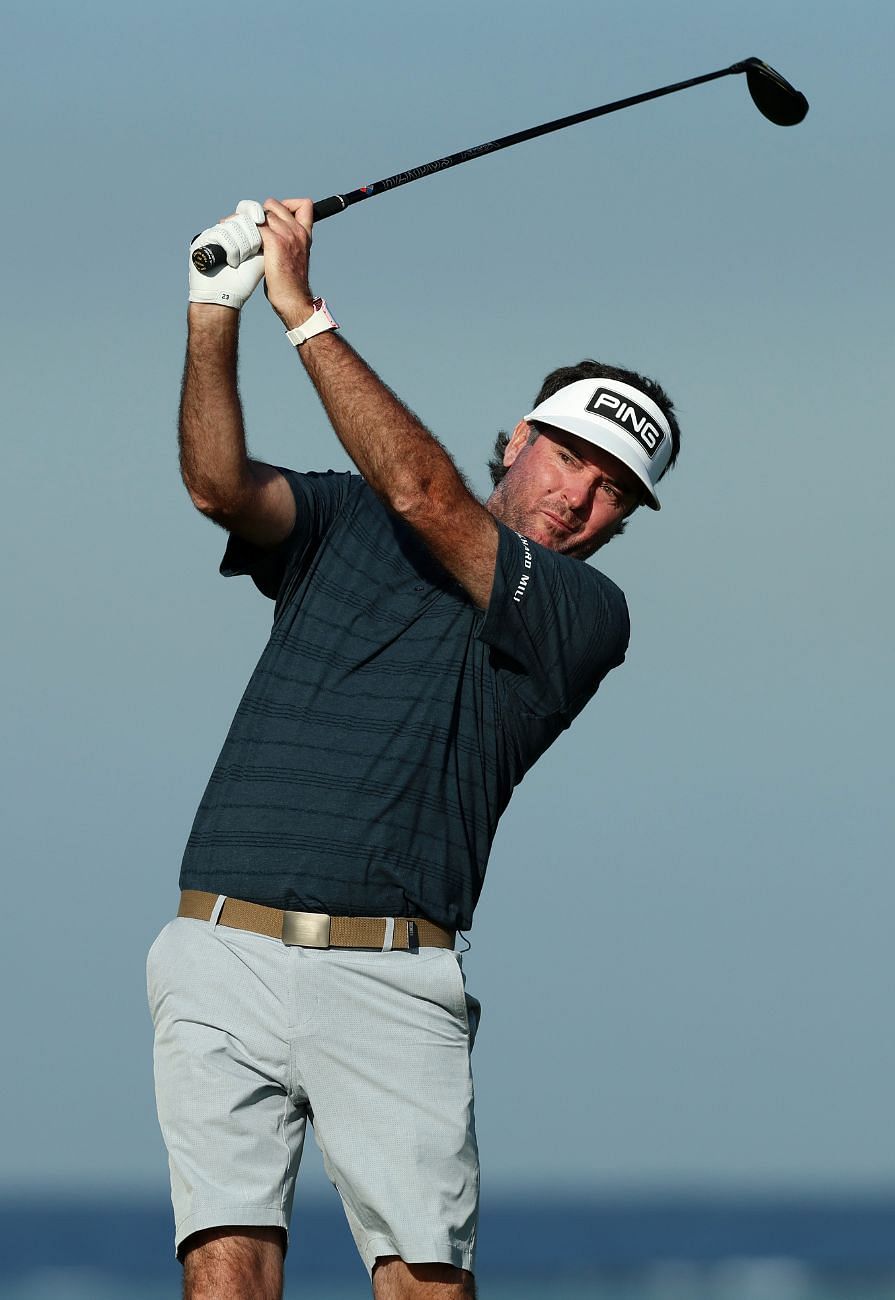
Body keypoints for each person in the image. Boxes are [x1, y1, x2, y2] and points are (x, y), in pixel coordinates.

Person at [153, 197, 681, 1300]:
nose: (581, 498)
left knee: (423, 1284)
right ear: (520, 439)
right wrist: (216, 311)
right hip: (221, 940)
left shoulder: (583, 612)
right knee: (223, 1273)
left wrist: (302, 311)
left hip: (390, 970)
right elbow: (217, 485)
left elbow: (429, 495)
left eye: (614, 491)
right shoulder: (347, 519)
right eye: (572, 458)